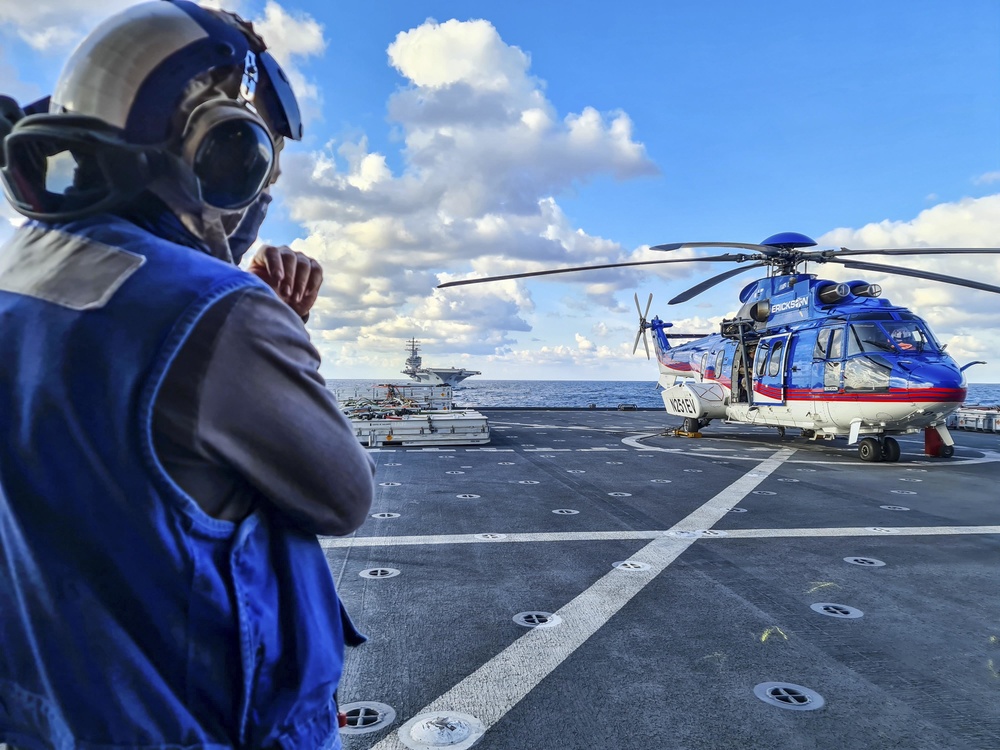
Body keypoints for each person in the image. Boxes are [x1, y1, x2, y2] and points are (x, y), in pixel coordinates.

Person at [0, 2, 375, 748]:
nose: (262, 189)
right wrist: (275, 327)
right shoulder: (223, 313)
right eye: (255, 156)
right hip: (209, 725)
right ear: (216, 148)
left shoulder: (19, 277)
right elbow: (343, 495)